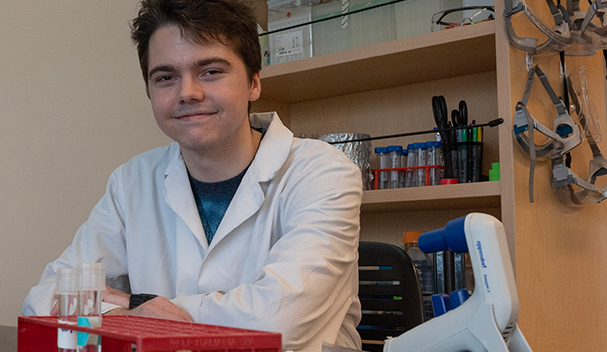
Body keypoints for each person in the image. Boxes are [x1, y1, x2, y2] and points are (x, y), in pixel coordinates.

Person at [20, 1, 364, 350]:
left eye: (210, 71)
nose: (187, 93)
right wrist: (136, 311)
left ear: (254, 82)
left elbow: (277, 324)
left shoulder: (323, 173)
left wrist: (133, 305)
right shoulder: (132, 182)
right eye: (166, 77)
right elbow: (45, 301)